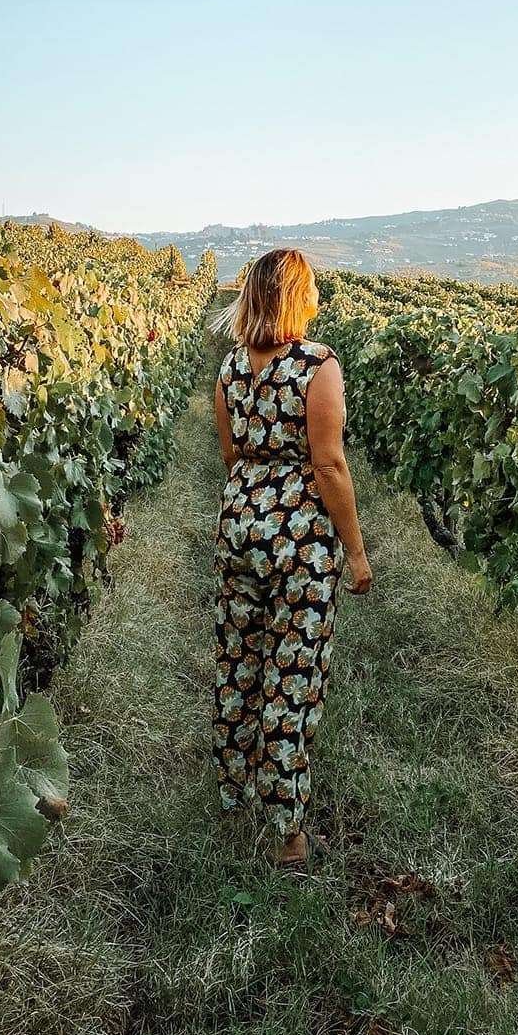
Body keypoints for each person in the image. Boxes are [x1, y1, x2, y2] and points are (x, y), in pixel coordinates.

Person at [210, 248, 373, 867]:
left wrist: (255, 505)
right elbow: (328, 464)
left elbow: (231, 455)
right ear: (299, 298)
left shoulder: (230, 369)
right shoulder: (317, 365)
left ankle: (232, 796)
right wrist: (355, 553)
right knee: (292, 678)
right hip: (300, 543)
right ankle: (289, 834)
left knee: (239, 661)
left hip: (239, 528)